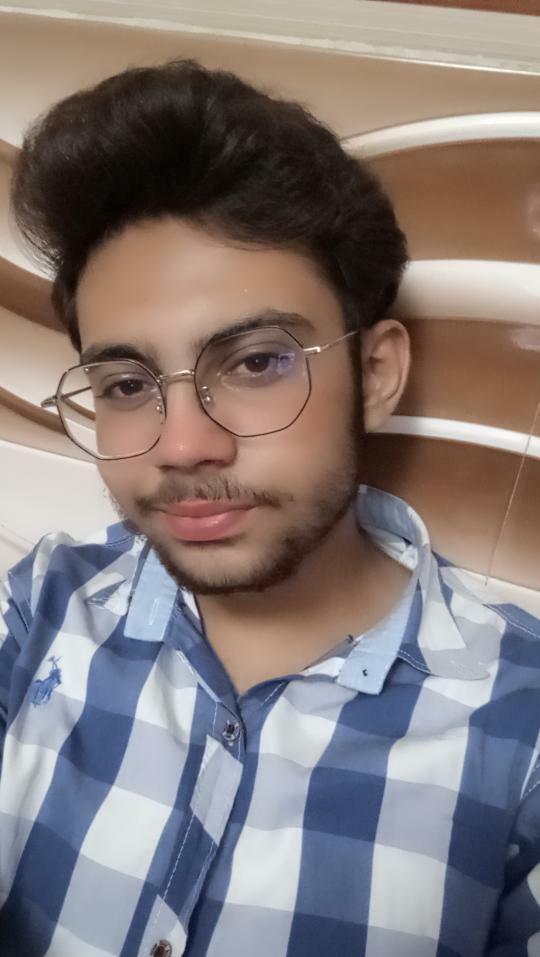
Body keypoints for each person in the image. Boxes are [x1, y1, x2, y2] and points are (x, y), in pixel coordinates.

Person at [0, 59, 538, 957]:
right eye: (127, 383)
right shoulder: (44, 610)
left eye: (255, 363)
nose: (182, 445)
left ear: (376, 375)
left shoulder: (521, 730)